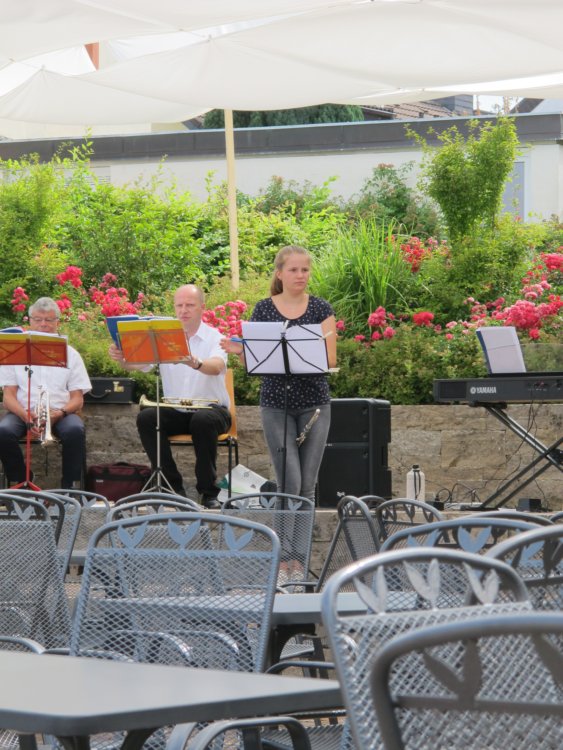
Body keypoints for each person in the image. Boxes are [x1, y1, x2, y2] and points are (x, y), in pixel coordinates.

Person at [222, 245, 336, 503]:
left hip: (315, 403)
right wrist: (240, 351)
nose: (300, 275)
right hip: (275, 404)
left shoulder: (321, 308)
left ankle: (301, 545)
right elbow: (254, 363)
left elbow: (330, 358)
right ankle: (284, 543)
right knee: (289, 482)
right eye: (294, 269)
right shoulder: (263, 309)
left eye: (305, 269)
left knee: (307, 486)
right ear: (280, 274)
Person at [109, 284, 230, 509]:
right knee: (146, 418)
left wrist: (195, 362)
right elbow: (139, 364)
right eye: (179, 305)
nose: (184, 310)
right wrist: (122, 358)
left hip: (212, 409)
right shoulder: (164, 337)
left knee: (202, 421)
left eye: (190, 305)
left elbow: (217, 366)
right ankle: (173, 489)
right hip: (177, 409)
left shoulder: (215, 337)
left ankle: (208, 492)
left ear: (202, 308)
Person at [0, 297, 91, 488]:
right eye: (38, 319)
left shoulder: (71, 354)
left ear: (57, 322)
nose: (43, 324)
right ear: (29, 320)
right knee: (3, 431)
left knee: (75, 430)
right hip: (23, 412)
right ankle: (21, 480)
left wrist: (60, 413)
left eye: (49, 320)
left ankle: (70, 487)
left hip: (60, 411)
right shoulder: (13, 353)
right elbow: (8, 396)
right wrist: (26, 416)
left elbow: (77, 398)